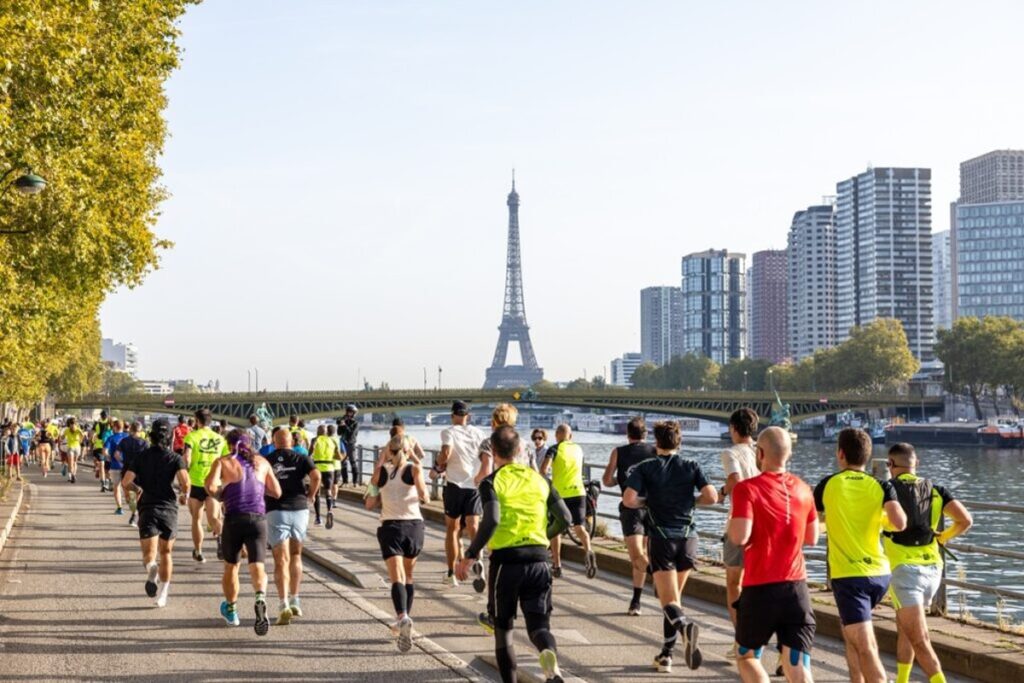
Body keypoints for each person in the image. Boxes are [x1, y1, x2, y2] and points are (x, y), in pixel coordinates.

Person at [456, 426, 572, 683]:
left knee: (504, 633)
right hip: (539, 560)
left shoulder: (491, 482)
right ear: (520, 449)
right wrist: (543, 534)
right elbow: (565, 518)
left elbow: (492, 519)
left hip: (506, 564)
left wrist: (470, 554)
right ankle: (549, 658)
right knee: (539, 627)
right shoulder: (540, 480)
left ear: (494, 453)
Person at [623, 420, 717, 673]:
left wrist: (647, 502)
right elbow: (712, 496)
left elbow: (629, 500)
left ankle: (684, 629)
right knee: (674, 599)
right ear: (679, 442)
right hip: (688, 539)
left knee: (667, 601)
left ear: (656, 442)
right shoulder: (692, 465)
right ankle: (666, 655)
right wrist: (691, 501)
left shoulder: (646, 467)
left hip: (662, 539)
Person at [814, 428, 907, 683]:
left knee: (866, 646)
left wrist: (829, 522)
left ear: (840, 454)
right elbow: (900, 523)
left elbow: (811, 524)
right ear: (867, 456)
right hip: (880, 574)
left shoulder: (828, 484)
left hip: (849, 576)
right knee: (851, 633)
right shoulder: (882, 485)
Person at [727, 427, 819, 683]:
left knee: (746, 656)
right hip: (797, 589)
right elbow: (812, 538)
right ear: (788, 454)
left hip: (760, 588)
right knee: (796, 663)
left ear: (760, 453)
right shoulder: (804, 489)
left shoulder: (746, 489)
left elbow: (739, 536)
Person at [884, 443, 973, 683]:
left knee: (919, 639)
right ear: (916, 463)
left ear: (890, 464)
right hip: (933, 570)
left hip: (904, 571)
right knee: (905, 629)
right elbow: (965, 520)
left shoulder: (886, 490)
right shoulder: (936, 490)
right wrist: (943, 537)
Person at [205, 430, 282, 635]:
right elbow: (277, 492)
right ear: (250, 443)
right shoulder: (262, 462)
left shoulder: (223, 462)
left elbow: (209, 486)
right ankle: (260, 597)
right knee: (258, 564)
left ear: (229, 444)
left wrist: (222, 494)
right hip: (258, 519)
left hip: (234, 519)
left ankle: (231, 611)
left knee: (231, 566)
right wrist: (259, 489)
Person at [365, 434, 429, 652]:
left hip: (391, 527)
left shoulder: (380, 472)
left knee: (396, 578)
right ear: (408, 451)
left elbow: (369, 503)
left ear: (388, 451)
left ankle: (402, 616)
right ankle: (405, 617)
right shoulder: (415, 470)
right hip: (414, 527)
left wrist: (382, 488)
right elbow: (425, 496)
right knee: (408, 576)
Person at [120, 419, 189, 607]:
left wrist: (137, 489)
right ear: (170, 437)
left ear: (150, 436)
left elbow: (126, 482)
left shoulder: (141, 456)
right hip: (168, 509)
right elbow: (185, 482)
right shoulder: (175, 458)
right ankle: (163, 594)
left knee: (149, 555)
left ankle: (152, 569)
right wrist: (184, 495)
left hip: (148, 508)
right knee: (166, 552)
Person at [264, 428, 320, 625]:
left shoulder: (267, 459)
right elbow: (316, 476)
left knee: (280, 560)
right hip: (299, 510)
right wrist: (311, 495)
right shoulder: (302, 458)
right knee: (296, 556)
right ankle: (296, 599)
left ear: (274, 441)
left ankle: (283, 604)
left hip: (276, 510)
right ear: (292, 441)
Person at [602, 416, 655, 615]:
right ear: (645, 434)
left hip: (631, 508)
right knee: (642, 554)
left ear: (627, 434)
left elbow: (607, 481)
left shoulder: (618, 452)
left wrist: (622, 480)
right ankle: (637, 600)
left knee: (636, 556)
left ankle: (656, 582)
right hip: (652, 507)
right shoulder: (654, 451)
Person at [719, 408, 761, 655]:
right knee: (760, 585)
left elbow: (734, 480)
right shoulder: (762, 452)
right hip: (762, 525)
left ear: (734, 429)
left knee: (734, 583)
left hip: (738, 524)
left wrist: (723, 492)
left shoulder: (731, 452)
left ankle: (742, 640)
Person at [436, 400, 487, 586]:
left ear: (452, 415)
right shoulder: (479, 433)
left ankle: (451, 573)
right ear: (468, 416)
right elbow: (486, 456)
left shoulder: (448, 432)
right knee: (473, 526)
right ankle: (478, 561)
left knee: (453, 528)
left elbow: (445, 454)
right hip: (474, 484)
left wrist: (439, 463)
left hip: (454, 485)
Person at [540, 424, 597, 579]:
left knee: (556, 529)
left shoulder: (554, 449)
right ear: (570, 436)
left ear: (557, 435)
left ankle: (557, 565)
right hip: (579, 492)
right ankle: (589, 551)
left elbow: (543, 470)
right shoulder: (578, 449)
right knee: (579, 527)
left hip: (560, 494)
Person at [183, 409, 228, 563]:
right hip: (214, 482)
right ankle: (222, 541)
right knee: (214, 518)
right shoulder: (220, 439)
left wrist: (186, 473)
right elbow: (226, 460)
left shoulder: (191, 436)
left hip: (196, 481)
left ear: (197, 420)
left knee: (196, 519)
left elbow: (187, 458)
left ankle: (198, 551)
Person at [115, 422, 149, 526]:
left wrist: (122, 461)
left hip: (127, 469)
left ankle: (134, 512)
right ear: (140, 430)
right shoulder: (145, 443)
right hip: (140, 470)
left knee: (127, 494)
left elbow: (116, 455)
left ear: (131, 430)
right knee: (137, 493)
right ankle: (135, 514)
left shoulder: (124, 441)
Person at [310, 424, 340, 527]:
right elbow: (338, 457)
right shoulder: (332, 441)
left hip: (317, 467)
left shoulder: (315, 440)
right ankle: (329, 510)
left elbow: (310, 453)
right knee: (328, 490)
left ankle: (318, 518)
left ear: (318, 431)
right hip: (329, 468)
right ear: (326, 432)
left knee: (317, 492)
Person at [104, 420, 129, 514]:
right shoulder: (128, 437)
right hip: (127, 466)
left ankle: (120, 508)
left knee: (116, 487)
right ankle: (132, 507)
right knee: (127, 487)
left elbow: (104, 451)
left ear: (114, 427)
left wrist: (109, 458)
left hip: (115, 466)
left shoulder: (111, 438)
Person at [338, 404, 360, 485]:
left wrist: (345, 425)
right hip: (343, 444)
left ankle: (355, 482)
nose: (348, 414)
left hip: (351, 444)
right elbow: (339, 433)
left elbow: (351, 434)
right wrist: (340, 425)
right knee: (343, 463)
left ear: (354, 413)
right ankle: (345, 481)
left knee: (353, 462)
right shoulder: (344, 421)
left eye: (350, 412)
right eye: (348, 412)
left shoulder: (356, 423)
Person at [62, 417, 84, 484]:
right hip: (74, 447)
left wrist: (80, 440)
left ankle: (73, 474)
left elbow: (62, 437)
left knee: (72, 462)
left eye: (73, 423)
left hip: (74, 447)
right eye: (72, 423)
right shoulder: (72, 429)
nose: (72, 425)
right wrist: (80, 440)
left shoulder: (72, 430)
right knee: (73, 462)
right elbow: (82, 435)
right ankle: (73, 475)